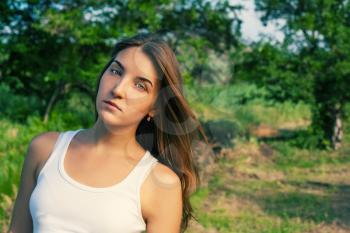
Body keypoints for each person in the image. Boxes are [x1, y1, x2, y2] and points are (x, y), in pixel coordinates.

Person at [8, 33, 208, 233]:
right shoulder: (45, 149)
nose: (118, 89)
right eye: (116, 71)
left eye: (140, 85)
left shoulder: (160, 183)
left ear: (155, 107)